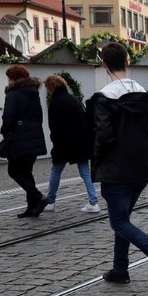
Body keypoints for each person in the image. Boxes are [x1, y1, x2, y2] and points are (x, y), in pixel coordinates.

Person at [89, 41, 148, 287]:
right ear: (127, 62)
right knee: (124, 218)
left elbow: (102, 136)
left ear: (104, 64)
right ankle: (120, 269)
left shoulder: (104, 98)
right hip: (142, 168)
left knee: (118, 221)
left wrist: (97, 157)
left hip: (116, 169)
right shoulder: (145, 94)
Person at [42, 75, 100, 214]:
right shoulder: (74, 99)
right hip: (81, 142)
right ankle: (93, 202)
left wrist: (55, 143)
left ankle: (50, 201)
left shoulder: (56, 103)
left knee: (56, 170)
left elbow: (54, 127)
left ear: (51, 87)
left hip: (64, 144)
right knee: (85, 171)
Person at [0, 65, 48, 218]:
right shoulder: (34, 93)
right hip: (34, 137)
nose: (7, 81)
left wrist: (4, 131)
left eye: (8, 78)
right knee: (27, 172)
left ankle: (38, 197)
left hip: (19, 139)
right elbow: (39, 116)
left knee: (14, 171)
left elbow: (8, 117)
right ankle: (33, 207)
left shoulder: (13, 95)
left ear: (13, 79)